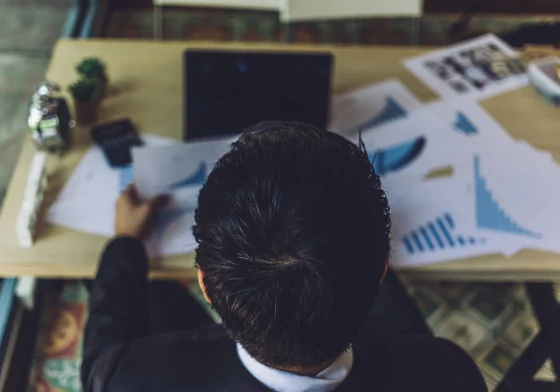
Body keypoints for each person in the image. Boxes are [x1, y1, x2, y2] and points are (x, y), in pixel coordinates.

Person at [81, 122, 487, 392]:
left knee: (158, 298)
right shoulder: (447, 374)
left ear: (205, 281)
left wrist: (125, 243)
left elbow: (100, 358)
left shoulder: (133, 378)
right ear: (382, 271)